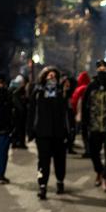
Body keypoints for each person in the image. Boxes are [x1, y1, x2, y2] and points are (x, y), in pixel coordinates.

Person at [28, 66, 69, 199]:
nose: (51, 77)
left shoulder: (61, 92)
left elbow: (66, 114)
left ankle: (60, 181)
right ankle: (42, 186)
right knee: (43, 161)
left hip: (58, 133)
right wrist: (30, 131)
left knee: (59, 160)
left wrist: (68, 132)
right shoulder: (38, 92)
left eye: (54, 76)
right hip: (42, 133)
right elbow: (32, 112)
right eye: (48, 75)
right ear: (44, 77)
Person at [82, 60, 106, 190]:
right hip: (94, 127)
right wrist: (84, 124)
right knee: (93, 154)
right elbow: (85, 106)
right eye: (100, 68)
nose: (102, 70)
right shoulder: (91, 86)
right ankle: (99, 171)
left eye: (104, 69)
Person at [70, 71, 91, 157]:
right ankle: (89, 149)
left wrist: (75, 112)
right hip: (89, 114)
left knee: (83, 132)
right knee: (88, 132)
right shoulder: (89, 87)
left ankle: (87, 150)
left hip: (80, 113)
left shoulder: (79, 89)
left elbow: (74, 101)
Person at [10, 75, 29, 149]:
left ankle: (17, 142)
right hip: (18, 113)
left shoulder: (18, 90)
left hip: (18, 113)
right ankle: (19, 142)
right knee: (19, 128)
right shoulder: (18, 91)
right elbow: (17, 102)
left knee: (18, 128)